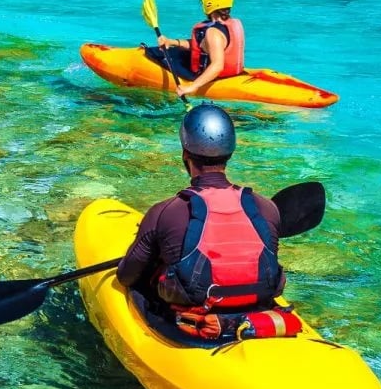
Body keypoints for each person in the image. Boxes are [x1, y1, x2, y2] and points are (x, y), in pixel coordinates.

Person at [116, 104, 300, 341]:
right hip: (256, 317)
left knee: (142, 284)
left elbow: (126, 276)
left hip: (193, 329)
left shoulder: (165, 212)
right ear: (230, 153)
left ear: (185, 154)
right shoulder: (267, 208)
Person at [150, 0, 245, 102]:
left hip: (211, 77)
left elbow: (217, 66)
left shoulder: (213, 32)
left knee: (157, 54)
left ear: (208, 4)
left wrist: (192, 87)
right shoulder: (233, 23)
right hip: (234, 74)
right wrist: (172, 42)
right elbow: (201, 47)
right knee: (173, 50)